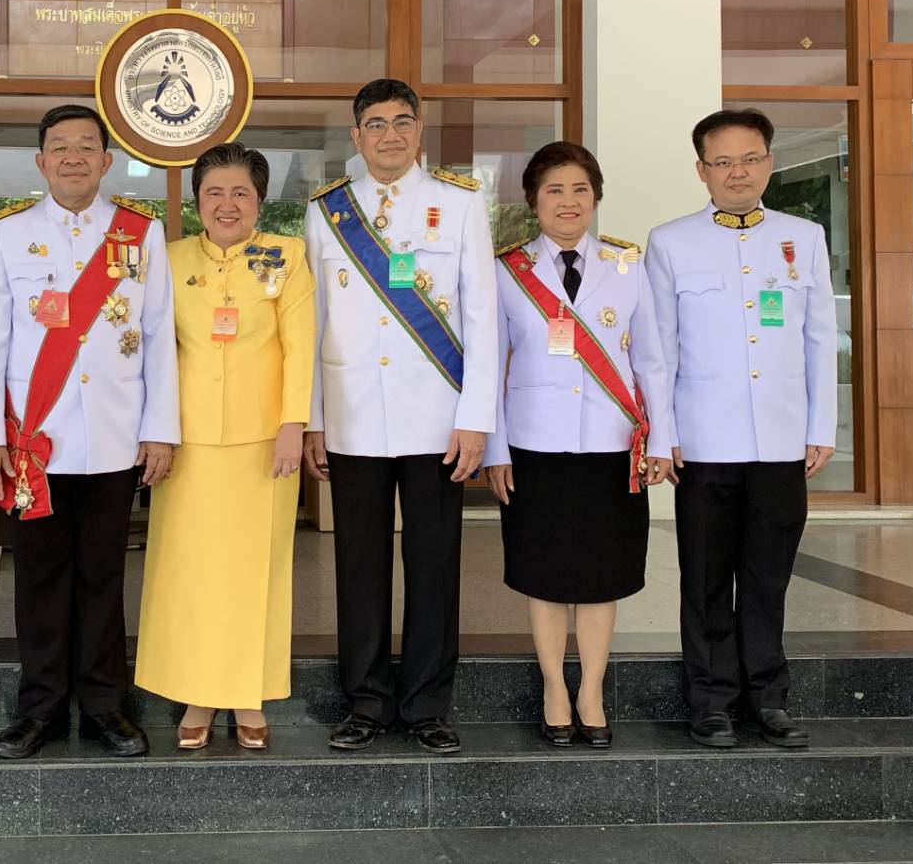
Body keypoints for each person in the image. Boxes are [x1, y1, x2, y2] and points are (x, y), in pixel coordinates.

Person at [0, 103, 178, 760]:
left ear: (108, 162)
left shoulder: (140, 234)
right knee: (39, 580)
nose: (74, 157)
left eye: (87, 146)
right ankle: (40, 709)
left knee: (104, 578)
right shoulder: (4, 235)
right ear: (40, 161)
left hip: (114, 438)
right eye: (60, 147)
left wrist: (160, 430)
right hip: (35, 443)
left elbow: (159, 339)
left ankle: (106, 706)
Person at [302, 77, 499, 754]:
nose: (389, 134)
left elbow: (482, 317)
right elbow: (314, 322)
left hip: (437, 421)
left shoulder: (460, 203)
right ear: (356, 136)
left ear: (420, 131)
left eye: (402, 122)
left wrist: (476, 418)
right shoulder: (327, 212)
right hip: (353, 418)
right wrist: (313, 419)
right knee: (357, 566)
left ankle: (425, 705)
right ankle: (365, 702)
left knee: (434, 564)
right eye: (375, 124)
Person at [647, 108, 838, 749]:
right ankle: (710, 701)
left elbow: (818, 340)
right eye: (722, 161)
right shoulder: (671, 242)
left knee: (768, 576)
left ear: (770, 164)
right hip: (702, 441)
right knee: (705, 577)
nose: (738, 172)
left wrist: (821, 426)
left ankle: (768, 697)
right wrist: (661, 435)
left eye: (750, 158)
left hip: (781, 439)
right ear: (701, 170)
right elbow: (660, 351)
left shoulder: (803, 237)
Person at [483, 141, 677, 749]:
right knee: (543, 575)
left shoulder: (629, 266)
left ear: (595, 197)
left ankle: (591, 689)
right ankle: (553, 688)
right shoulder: (507, 270)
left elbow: (652, 362)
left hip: (611, 447)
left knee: (601, 577)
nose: (568, 203)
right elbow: (488, 365)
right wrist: (495, 449)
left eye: (580, 190)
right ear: (533, 202)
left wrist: (662, 442)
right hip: (533, 447)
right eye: (554, 191)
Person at [134, 143, 313, 751]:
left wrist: (296, 423)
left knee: (256, 573)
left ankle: (246, 693)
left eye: (240, 192)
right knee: (190, 573)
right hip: (187, 443)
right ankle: (196, 692)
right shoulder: (169, 257)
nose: (227, 204)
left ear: (259, 200)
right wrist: (155, 427)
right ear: (196, 202)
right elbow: (155, 350)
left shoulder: (286, 256)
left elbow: (300, 345)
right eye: (214, 192)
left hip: (265, 442)